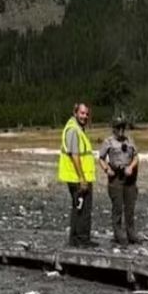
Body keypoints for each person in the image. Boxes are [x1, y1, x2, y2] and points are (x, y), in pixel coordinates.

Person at [58, 103, 97, 248]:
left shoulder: (76, 128)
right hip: (78, 178)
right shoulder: (73, 130)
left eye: (86, 114)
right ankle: (82, 240)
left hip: (76, 177)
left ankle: (74, 240)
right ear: (75, 113)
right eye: (82, 113)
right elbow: (75, 156)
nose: (85, 117)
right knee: (83, 209)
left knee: (78, 207)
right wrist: (82, 178)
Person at [97, 116, 140, 246]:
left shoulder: (129, 140)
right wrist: (106, 169)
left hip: (129, 177)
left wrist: (131, 167)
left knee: (130, 206)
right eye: (118, 127)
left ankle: (131, 232)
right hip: (116, 175)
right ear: (114, 129)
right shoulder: (108, 142)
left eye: (123, 127)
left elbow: (136, 156)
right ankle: (118, 234)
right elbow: (101, 158)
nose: (121, 130)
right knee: (117, 207)